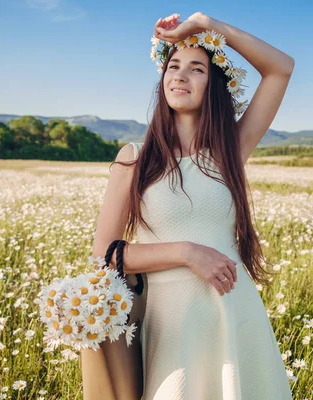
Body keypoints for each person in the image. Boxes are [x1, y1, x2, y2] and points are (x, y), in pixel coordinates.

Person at [89, 11, 294, 400]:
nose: (179, 76)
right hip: (172, 324)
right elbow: (106, 254)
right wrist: (187, 252)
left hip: (234, 316)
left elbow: (281, 68)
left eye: (196, 68)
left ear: (213, 85)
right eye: (173, 66)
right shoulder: (134, 158)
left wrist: (205, 26)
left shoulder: (230, 149)